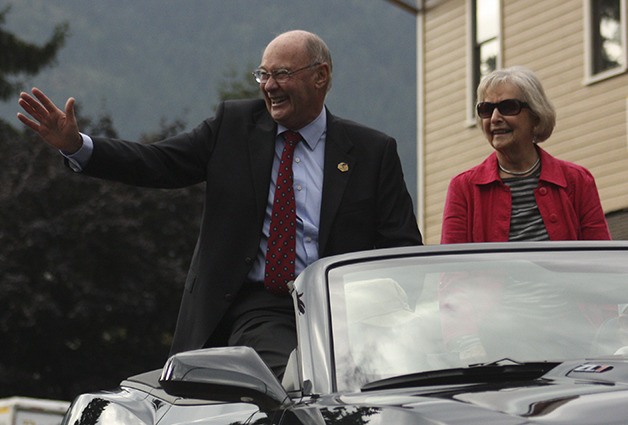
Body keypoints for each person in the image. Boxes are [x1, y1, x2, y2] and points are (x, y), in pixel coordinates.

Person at [17, 30, 422, 378]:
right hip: (261, 304)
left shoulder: (372, 152)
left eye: (282, 73)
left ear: (321, 76)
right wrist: (77, 146)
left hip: (347, 315)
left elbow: (404, 249)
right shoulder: (233, 127)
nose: (269, 85)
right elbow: (157, 163)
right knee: (295, 382)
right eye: (263, 74)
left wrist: (412, 324)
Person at [441, 65, 611, 243]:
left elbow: (599, 261)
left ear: (536, 116)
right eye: (486, 109)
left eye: (508, 107)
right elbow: (453, 266)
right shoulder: (463, 189)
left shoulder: (577, 181)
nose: (494, 118)